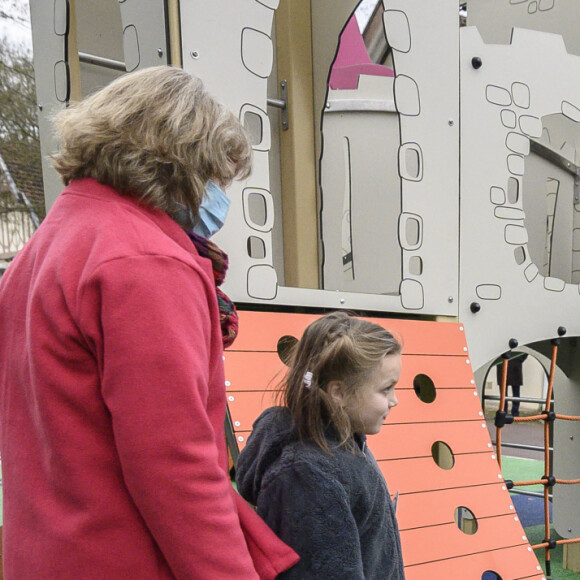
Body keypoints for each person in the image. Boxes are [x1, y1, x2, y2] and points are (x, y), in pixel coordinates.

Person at [0, 66, 298, 579]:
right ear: (180, 161)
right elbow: (174, 465)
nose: (216, 195)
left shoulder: (44, 247)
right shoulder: (144, 260)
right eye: (214, 177)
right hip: (126, 557)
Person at [236, 311, 406, 579]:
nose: (394, 401)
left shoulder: (345, 440)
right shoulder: (306, 477)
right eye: (386, 389)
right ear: (338, 393)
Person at [495, 352, 528, 417]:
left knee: (516, 392)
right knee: (503, 393)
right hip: (502, 364)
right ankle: (503, 411)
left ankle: (515, 412)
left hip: (515, 366)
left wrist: (519, 359)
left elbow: (525, 352)